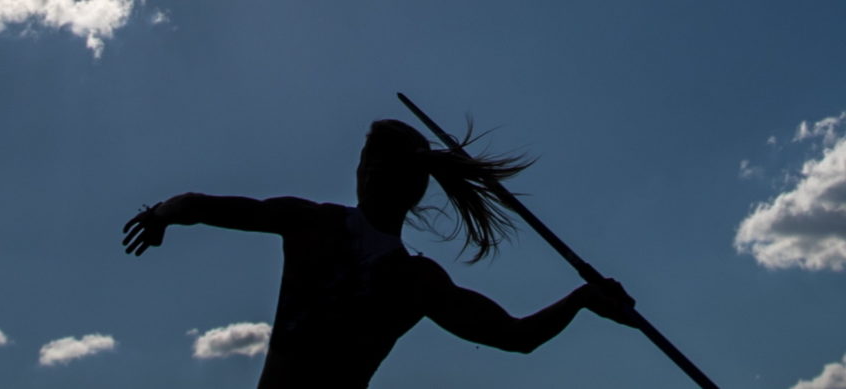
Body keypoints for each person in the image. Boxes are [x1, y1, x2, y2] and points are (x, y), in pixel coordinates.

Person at [121, 118, 638, 388]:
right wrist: (161, 213)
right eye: (366, 160)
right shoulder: (312, 221)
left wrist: (581, 299)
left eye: (382, 165)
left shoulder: (416, 281)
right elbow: (204, 205)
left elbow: (514, 337)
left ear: (412, 187)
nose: (369, 172)